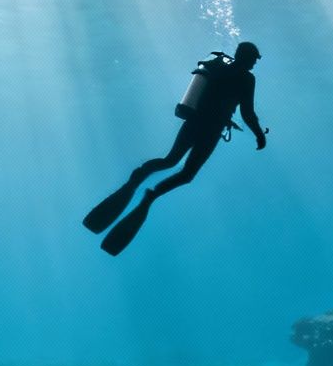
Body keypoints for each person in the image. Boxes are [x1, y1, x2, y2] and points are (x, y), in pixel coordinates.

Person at [85, 41, 268, 254]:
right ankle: (151, 196)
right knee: (187, 174)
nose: (255, 63)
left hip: (193, 122)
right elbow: (247, 111)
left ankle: (135, 181)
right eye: (254, 58)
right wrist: (258, 135)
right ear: (246, 56)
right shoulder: (247, 79)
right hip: (210, 131)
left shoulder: (218, 69)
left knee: (169, 160)